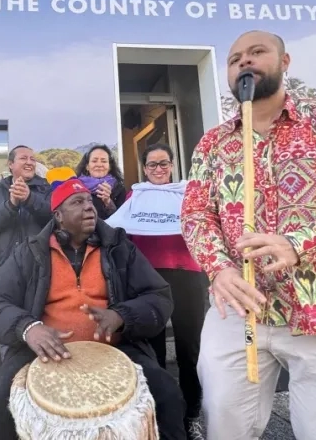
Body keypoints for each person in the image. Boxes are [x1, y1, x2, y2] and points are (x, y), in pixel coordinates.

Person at [181, 30, 316, 440]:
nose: (244, 61)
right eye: (234, 58)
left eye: (257, 52)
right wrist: (219, 270)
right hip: (238, 309)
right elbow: (195, 213)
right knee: (224, 423)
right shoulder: (212, 144)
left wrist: (300, 244)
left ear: (285, 61)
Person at [0, 178, 186, 440]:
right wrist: (28, 328)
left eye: (90, 201)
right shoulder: (30, 253)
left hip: (117, 347)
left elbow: (159, 295)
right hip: (43, 352)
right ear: (58, 216)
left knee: (167, 391)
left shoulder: (119, 247)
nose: (89, 207)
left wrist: (122, 315)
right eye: (78, 202)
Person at [108, 143, 208, 440]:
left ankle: (190, 415)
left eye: (163, 163)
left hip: (188, 275)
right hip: (148, 281)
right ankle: (158, 414)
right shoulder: (134, 196)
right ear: (144, 168)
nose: (159, 170)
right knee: (152, 351)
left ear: (173, 164)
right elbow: (118, 230)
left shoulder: (190, 193)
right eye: (152, 165)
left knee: (190, 349)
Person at [0, 145, 52, 268]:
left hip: (38, 266)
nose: (29, 162)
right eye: (23, 158)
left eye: (32, 159)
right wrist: (11, 204)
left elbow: (54, 220)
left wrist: (30, 199)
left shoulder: (47, 190)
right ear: (11, 164)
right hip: (4, 266)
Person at [74, 144, 127, 220]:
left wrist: (108, 202)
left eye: (104, 161)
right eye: (94, 161)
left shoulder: (119, 188)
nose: (99, 165)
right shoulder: (76, 187)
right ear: (87, 166)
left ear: (109, 167)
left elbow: (122, 218)